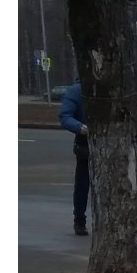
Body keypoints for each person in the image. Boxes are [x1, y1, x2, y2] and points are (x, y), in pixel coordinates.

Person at [58, 79, 90, 236]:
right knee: (83, 184)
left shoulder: (110, 87)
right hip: (85, 144)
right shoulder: (77, 90)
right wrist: (80, 128)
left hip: (107, 142)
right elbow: (65, 116)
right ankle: (79, 220)